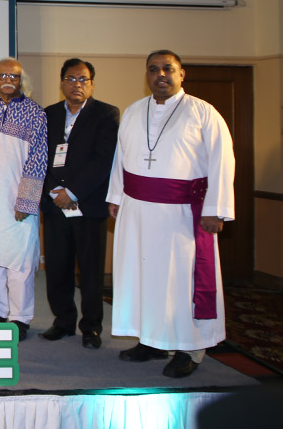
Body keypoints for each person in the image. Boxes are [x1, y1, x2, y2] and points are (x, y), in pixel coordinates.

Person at [107, 50, 234, 378]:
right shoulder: (135, 111)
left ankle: (190, 348)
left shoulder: (203, 113)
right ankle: (151, 340)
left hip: (182, 216)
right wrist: (116, 196)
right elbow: (122, 157)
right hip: (138, 212)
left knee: (180, 282)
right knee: (145, 278)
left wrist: (216, 210)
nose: (160, 75)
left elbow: (222, 162)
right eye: (153, 69)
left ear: (182, 74)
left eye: (168, 69)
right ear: (146, 75)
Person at [39, 59, 119, 349]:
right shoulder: (48, 115)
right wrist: (53, 191)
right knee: (57, 266)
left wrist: (71, 192)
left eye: (83, 80)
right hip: (54, 205)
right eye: (71, 79)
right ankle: (62, 322)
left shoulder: (106, 114)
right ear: (61, 83)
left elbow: (102, 161)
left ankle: (91, 326)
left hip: (88, 205)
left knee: (90, 270)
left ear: (92, 84)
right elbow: (40, 157)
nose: (77, 85)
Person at [0, 58, 47, 341]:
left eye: (13, 76)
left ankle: (19, 316)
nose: (7, 80)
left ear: (21, 81)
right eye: (2, 75)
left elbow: (38, 159)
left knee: (20, 260)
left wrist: (26, 201)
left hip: (18, 199)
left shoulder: (35, 113)